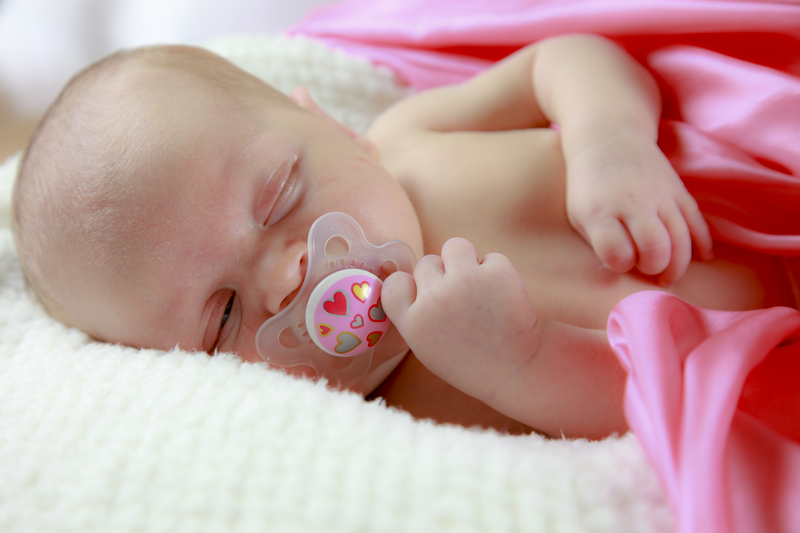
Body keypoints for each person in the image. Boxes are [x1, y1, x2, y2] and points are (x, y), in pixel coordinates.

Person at [12, 34, 795, 439]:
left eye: (281, 194)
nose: (286, 280)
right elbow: (654, 409)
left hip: (754, 198)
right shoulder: (418, 402)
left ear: (329, 126)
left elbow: (563, 61)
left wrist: (606, 141)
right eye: (222, 318)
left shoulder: (410, 137)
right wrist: (523, 359)